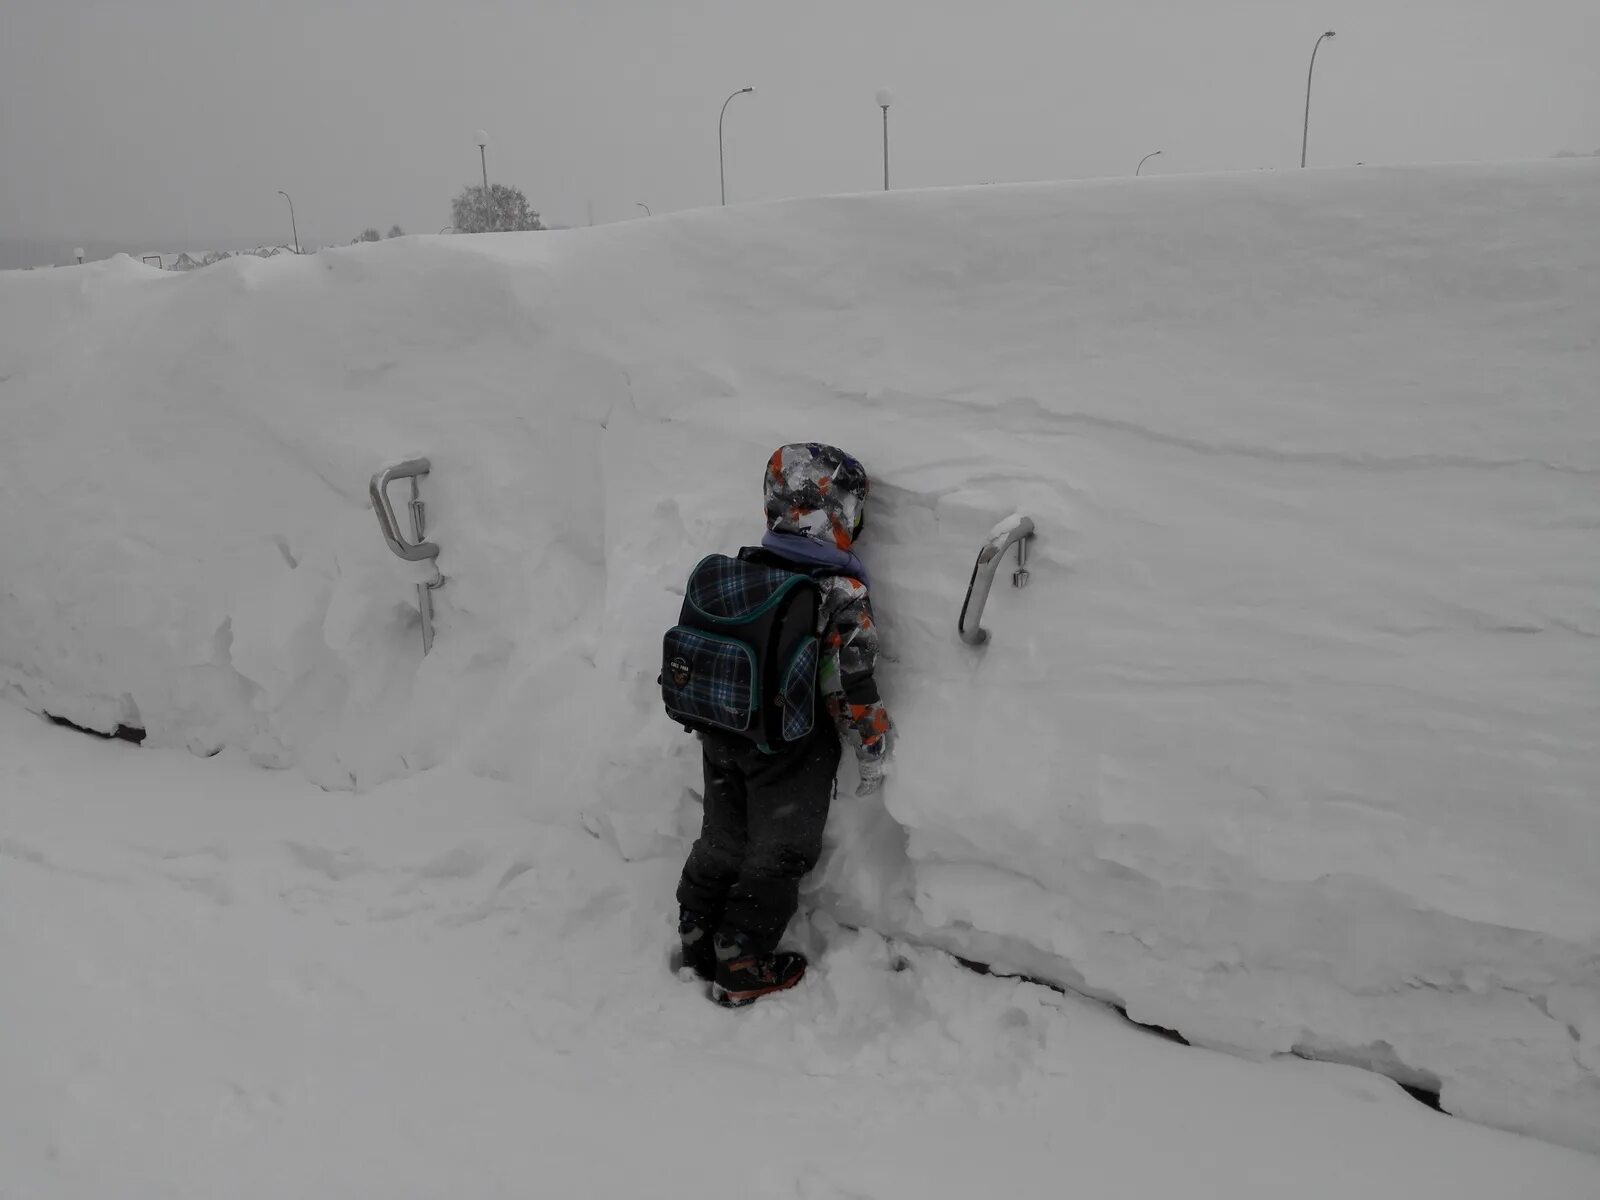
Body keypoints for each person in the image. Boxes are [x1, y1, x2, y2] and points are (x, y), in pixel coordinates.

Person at [673, 443, 892, 1006]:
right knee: (780, 854)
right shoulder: (841, 594)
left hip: (725, 726)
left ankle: (696, 931)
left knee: (722, 838)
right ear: (841, 515)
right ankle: (741, 959)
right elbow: (852, 686)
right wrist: (872, 746)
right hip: (793, 748)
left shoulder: (749, 568)